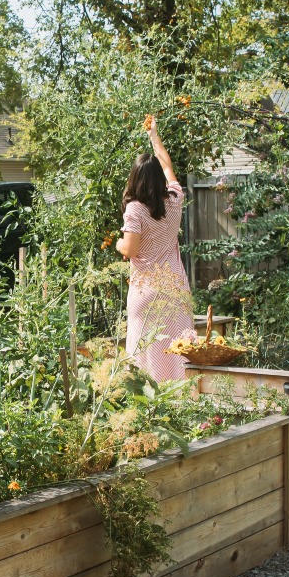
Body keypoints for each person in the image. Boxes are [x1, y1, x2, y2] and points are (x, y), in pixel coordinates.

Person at [117, 114, 194, 381]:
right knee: (179, 351)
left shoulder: (135, 209)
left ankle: (150, 401)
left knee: (145, 354)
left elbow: (130, 250)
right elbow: (166, 164)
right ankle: (183, 400)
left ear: (134, 179)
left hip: (146, 292)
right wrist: (154, 136)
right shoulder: (175, 199)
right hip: (175, 288)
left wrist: (119, 243)